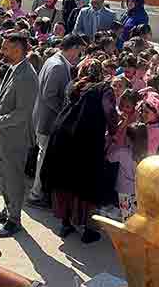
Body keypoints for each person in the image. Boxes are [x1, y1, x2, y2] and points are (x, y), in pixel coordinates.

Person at [42, 58, 116, 243]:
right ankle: (87, 230)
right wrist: (115, 130)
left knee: (66, 181)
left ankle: (66, 223)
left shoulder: (73, 85)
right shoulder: (104, 89)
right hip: (87, 142)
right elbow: (110, 114)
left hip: (63, 138)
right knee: (86, 185)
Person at [28, 34, 84, 209]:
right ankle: (35, 194)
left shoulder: (55, 61)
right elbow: (49, 95)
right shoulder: (58, 66)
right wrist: (65, 112)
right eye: (79, 51)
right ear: (73, 48)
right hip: (47, 121)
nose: (79, 56)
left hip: (45, 119)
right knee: (43, 159)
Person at [0, 32, 38, 237]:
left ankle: (14, 220)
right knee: (4, 176)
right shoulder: (14, 68)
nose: (2, 51)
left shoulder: (27, 75)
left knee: (14, 179)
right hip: (5, 134)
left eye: (5, 48)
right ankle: (8, 208)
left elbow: (23, 113)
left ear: (17, 50)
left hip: (16, 137)